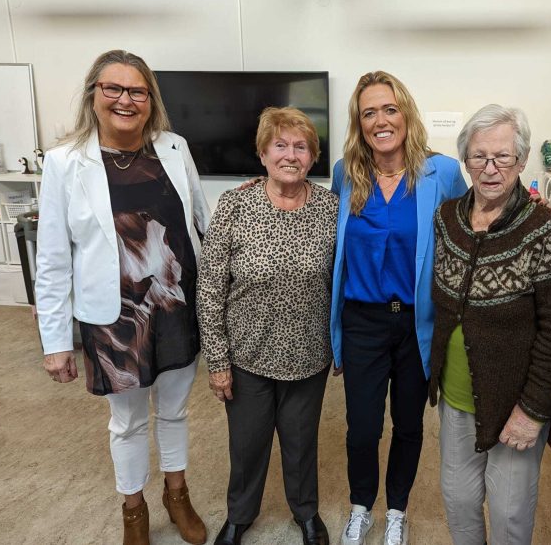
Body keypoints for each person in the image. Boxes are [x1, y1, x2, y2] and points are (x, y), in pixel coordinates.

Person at [36, 49, 210, 545]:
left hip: (176, 306)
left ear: (151, 100)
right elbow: (52, 259)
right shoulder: (65, 162)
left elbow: (200, 220)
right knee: (127, 421)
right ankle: (134, 511)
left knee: (174, 411)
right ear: (93, 95)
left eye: (137, 91)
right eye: (113, 88)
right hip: (116, 319)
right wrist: (55, 342)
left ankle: (177, 495)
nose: (125, 100)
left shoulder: (173, 147)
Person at [330, 71, 468, 545]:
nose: (381, 120)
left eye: (390, 109)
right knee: (362, 427)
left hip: (416, 321)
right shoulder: (345, 173)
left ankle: (396, 511)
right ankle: (360, 507)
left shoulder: (441, 173)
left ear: (406, 114)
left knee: (409, 424)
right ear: (359, 122)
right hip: (362, 319)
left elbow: (469, 229)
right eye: (369, 112)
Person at [428, 104, 551, 545]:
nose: (490, 168)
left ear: (521, 160)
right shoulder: (446, 218)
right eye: (479, 156)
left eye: (502, 157)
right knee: (459, 500)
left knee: (510, 515)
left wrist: (533, 410)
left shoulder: (544, 228)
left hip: (514, 402)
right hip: (456, 395)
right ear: (465, 160)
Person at [197, 107, 337, 545]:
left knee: (301, 443)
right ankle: (239, 515)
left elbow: (345, 279)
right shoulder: (235, 205)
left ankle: (306, 513)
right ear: (262, 154)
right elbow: (209, 288)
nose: (290, 155)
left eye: (301, 147)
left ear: (313, 157)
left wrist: (343, 343)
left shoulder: (331, 209)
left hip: (308, 354)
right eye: (280, 145)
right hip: (247, 356)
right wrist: (217, 361)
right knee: (247, 444)